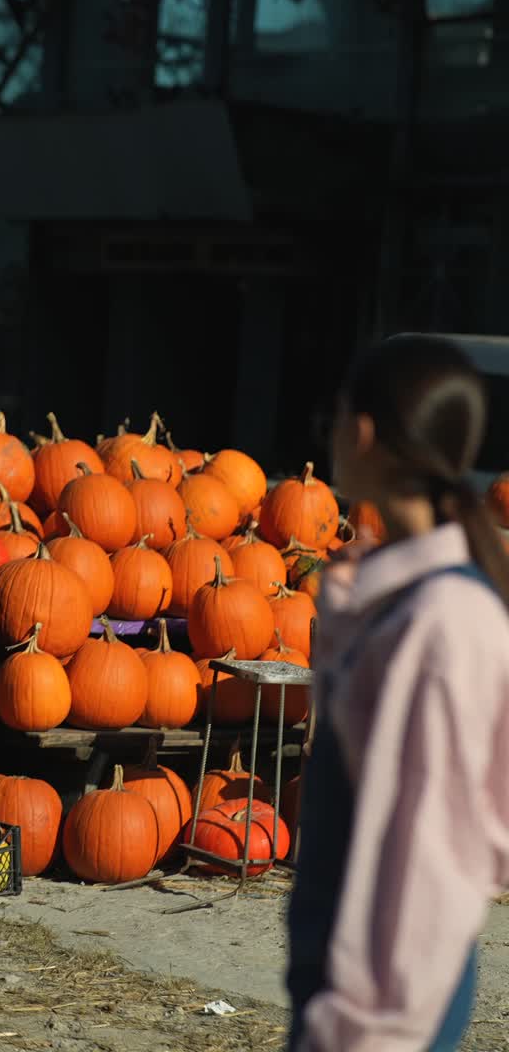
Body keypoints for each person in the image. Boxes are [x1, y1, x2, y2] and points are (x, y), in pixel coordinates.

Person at [287, 334, 509, 1051]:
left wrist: (359, 1030)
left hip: (386, 1007)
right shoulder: (405, 601)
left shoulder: (442, 624)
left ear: (363, 430)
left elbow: (427, 854)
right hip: (349, 978)